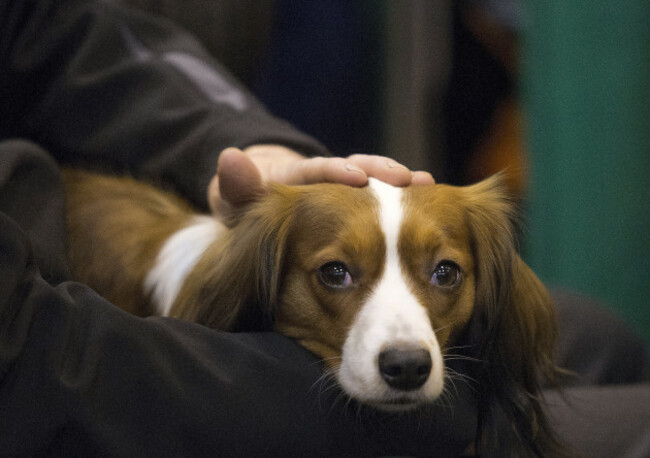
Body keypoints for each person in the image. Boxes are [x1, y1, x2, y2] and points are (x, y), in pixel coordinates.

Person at [0, 1, 648, 457]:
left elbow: (53, 26)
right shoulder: (225, 288)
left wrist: (255, 147)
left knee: (600, 335)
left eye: (443, 272)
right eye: (335, 274)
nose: (405, 340)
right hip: (51, 362)